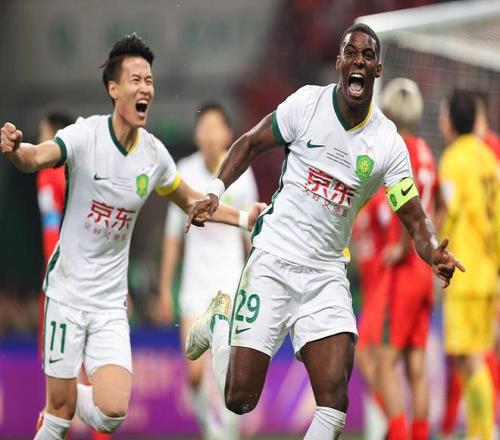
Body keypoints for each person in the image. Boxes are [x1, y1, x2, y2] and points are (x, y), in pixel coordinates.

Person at [184, 23, 464, 439]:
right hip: (274, 260)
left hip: (325, 274)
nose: (359, 61)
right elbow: (250, 142)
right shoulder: (307, 105)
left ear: (378, 69)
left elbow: (413, 214)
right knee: (239, 400)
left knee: (334, 403)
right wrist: (214, 190)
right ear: (338, 63)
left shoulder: (387, 143)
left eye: (368, 56)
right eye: (351, 53)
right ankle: (221, 322)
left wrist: (432, 251)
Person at [0, 34, 264, 440]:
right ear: (113, 88)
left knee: (112, 413)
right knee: (58, 419)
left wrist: (246, 218)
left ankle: (63, 399)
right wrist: (16, 150)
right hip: (67, 295)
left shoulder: (154, 156)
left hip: (109, 303)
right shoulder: (85, 136)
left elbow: (194, 202)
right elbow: (36, 157)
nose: (146, 89)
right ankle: (59, 405)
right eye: (136, 80)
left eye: (149, 81)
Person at [157, 103, 257, 439]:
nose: (210, 134)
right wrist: (164, 289)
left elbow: (250, 235)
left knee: (228, 368)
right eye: (204, 127)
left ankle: (227, 432)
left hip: (230, 282)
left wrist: (258, 285)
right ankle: (209, 425)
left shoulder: (240, 173)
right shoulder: (184, 172)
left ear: (228, 134)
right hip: (195, 286)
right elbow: (173, 237)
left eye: (216, 127)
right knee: (195, 373)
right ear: (197, 135)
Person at [375, 78, 442, 440]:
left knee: (384, 363)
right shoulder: (427, 150)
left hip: (405, 271)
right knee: (416, 365)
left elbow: (408, 204)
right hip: (425, 270)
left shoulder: (402, 151)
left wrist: (403, 246)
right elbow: (440, 205)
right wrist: (432, 243)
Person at [438, 88, 499, 440]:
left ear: (451, 120)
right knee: (473, 357)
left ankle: (484, 433)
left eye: (443, 114)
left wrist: (433, 249)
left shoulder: (454, 160)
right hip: (487, 273)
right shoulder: (489, 159)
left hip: (465, 274)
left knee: (471, 359)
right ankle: (480, 431)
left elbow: (449, 213)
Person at [351, 188, 390, 440]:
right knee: (373, 360)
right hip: (369, 292)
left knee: (366, 355)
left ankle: (390, 419)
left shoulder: (380, 201)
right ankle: (386, 421)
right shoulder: (358, 203)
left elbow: (395, 230)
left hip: (383, 290)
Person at [36, 111, 74, 358]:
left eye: (43, 133)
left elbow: (55, 227)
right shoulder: (64, 172)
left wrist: (57, 268)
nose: (39, 139)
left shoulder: (53, 174)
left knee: (57, 351)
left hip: (63, 271)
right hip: (62, 269)